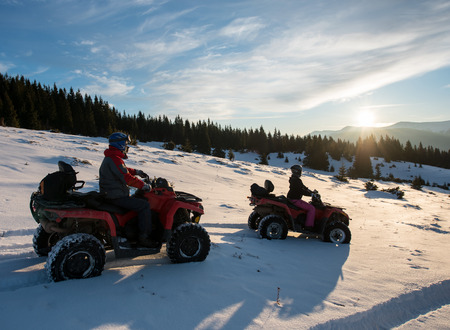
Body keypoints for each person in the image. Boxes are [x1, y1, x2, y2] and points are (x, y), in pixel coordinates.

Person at [99, 132, 158, 248]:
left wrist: (137, 172)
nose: (127, 146)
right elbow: (126, 177)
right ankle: (144, 238)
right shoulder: (114, 158)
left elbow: (123, 170)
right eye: (126, 143)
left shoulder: (112, 157)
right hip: (116, 197)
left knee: (136, 201)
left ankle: (132, 231)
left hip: (112, 195)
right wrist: (143, 185)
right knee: (144, 205)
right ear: (120, 144)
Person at [287, 165, 316, 231]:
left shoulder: (294, 179)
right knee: (312, 208)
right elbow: (301, 190)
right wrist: (310, 194)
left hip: (291, 198)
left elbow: (303, 187)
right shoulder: (296, 180)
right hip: (295, 200)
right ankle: (308, 227)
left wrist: (310, 191)